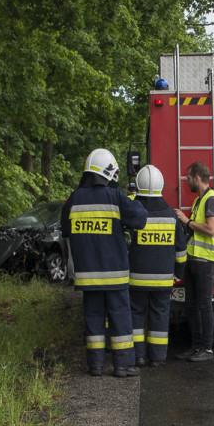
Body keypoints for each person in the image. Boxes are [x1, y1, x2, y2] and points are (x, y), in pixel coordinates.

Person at [61, 148, 148, 377]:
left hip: (87, 274)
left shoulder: (73, 199)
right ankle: (122, 365)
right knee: (120, 319)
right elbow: (140, 219)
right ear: (108, 172)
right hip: (115, 274)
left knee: (93, 320)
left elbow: (65, 230)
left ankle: (96, 365)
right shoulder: (115, 197)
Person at [128, 164, 186, 367]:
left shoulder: (133, 213)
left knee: (136, 314)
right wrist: (178, 273)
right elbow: (181, 250)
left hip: (136, 278)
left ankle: (138, 356)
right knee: (160, 315)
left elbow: (126, 245)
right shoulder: (171, 215)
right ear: (161, 186)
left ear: (139, 184)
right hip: (163, 278)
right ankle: (158, 358)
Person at [173, 161, 214, 362]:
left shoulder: (212, 199)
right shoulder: (198, 201)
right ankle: (196, 347)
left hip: (206, 260)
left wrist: (186, 221)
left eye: (188, 177)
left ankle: (207, 349)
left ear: (197, 177)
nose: (186, 182)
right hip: (194, 259)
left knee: (204, 305)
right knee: (192, 304)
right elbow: (196, 229)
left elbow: (211, 229)